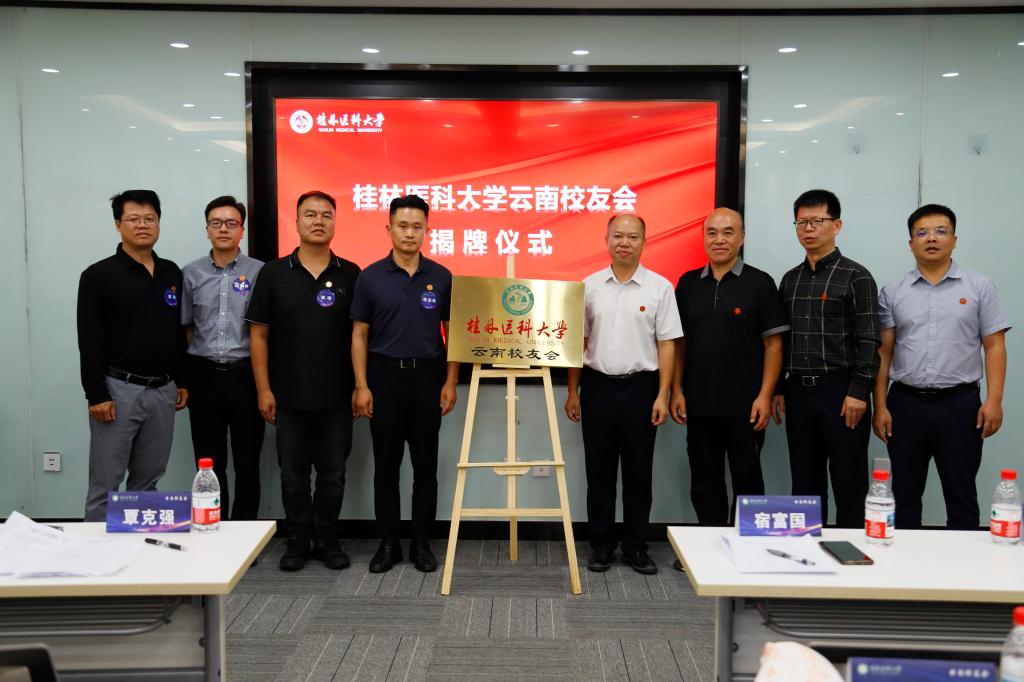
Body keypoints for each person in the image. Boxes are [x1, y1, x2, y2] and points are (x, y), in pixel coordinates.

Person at [873, 204, 1009, 529]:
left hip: (960, 405)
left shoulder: (979, 287)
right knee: (904, 495)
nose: (931, 238)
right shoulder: (893, 291)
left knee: (961, 494)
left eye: (940, 231)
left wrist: (994, 400)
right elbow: (883, 353)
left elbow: (994, 346)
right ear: (911, 243)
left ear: (954, 239)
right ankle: (904, 559)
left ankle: (964, 561)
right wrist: (880, 405)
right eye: (922, 233)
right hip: (905, 404)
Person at [245, 190, 360, 571]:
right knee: (293, 477)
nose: (318, 221)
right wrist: (263, 388)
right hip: (288, 396)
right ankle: (297, 539)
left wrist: (360, 386)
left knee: (333, 476)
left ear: (335, 223)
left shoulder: (350, 273)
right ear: (295, 222)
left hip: (337, 397)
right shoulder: (273, 273)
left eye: (326, 215)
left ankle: (327, 538)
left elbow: (360, 336)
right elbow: (258, 335)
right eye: (310, 214)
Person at [565, 213, 682, 575]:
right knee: (598, 473)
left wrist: (663, 394)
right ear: (607, 240)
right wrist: (573, 391)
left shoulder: (660, 288)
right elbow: (578, 342)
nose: (624, 243)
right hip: (597, 387)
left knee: (638, 474)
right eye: (618, 236)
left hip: (641, 389)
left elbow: (667, 344)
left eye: (632, 237)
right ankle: (601, 546)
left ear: (644, 242)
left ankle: (635, 547)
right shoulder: (589, 286)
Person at [351, 194, 459, 574]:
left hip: (428, 378)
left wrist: (450, 381)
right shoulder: (370, 277)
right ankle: (388, 543)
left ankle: (421, 543)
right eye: (402, 226)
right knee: (386, 467)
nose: (410, 233)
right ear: (389, 229)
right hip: (384, 379)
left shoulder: (441, 277)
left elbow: (453, 334)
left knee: (425, 467)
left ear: (426, 230)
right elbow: (359, 335)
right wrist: (361, 385)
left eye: (417, 227)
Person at [671, 208, 789, 527]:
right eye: (712, 232)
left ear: (742, 237)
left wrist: (765, 395)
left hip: (746, 407)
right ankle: (708, 545)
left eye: (728, 232)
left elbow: (774, 345)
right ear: (704, 237)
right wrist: (676, 390)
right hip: (699, 405)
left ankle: (746, 547)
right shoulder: (687, 284)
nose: (719, 239)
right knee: (704, 483)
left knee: (747, 481)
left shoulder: (760, 283)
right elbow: (678, 345)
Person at [77, 189, 188, 521]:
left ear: (159, 223)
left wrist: (181, 380)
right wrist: (96, 394)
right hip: (118, 391)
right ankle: (95, 549)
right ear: (118, 224)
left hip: (163, 391)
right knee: (106, 483)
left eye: (150, 219)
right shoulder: (98, 275)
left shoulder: (171, 272)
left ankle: (138, 548)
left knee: (148, 481)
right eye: (134, 219)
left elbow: (177, 332)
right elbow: (89, 339)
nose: (143, 225)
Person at [772, 189, 880, 528]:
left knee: (849, 481)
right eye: (801, 222)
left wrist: (859, 391)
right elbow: (782, 341)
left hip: (842, 392)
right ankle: (807, 550)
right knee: (805, 481)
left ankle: (852, 551)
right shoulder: (790, 279)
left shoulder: (856, 276)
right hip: (798, 393)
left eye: (817, 221)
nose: (808, 229)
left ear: (837, 225)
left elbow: (870, 338)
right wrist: (778, 389)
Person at [181, 196, 265, 520]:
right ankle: (213, 524)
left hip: (246, 376)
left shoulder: (259, 272)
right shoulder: (191, 273)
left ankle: (245, 531)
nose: (223, 229)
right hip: (203, 376)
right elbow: (187, 329)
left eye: (231, 223)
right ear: (207, 229)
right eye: (216, 223)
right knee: (208, 461)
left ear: (242, 230)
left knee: (247, 461)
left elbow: (265, 331)